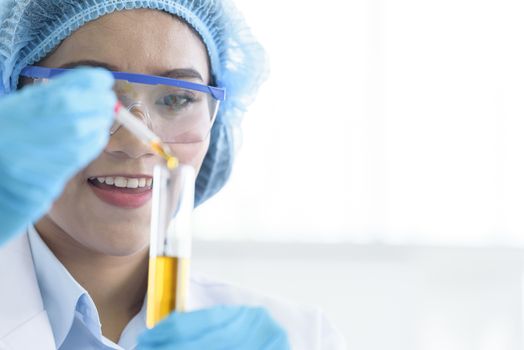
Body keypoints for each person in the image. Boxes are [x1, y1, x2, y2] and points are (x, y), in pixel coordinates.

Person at [0, 1, 346, 349]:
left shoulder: (300, 338)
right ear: (14, 101)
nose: (135, 143)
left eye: (176, 99)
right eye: (95, 96)